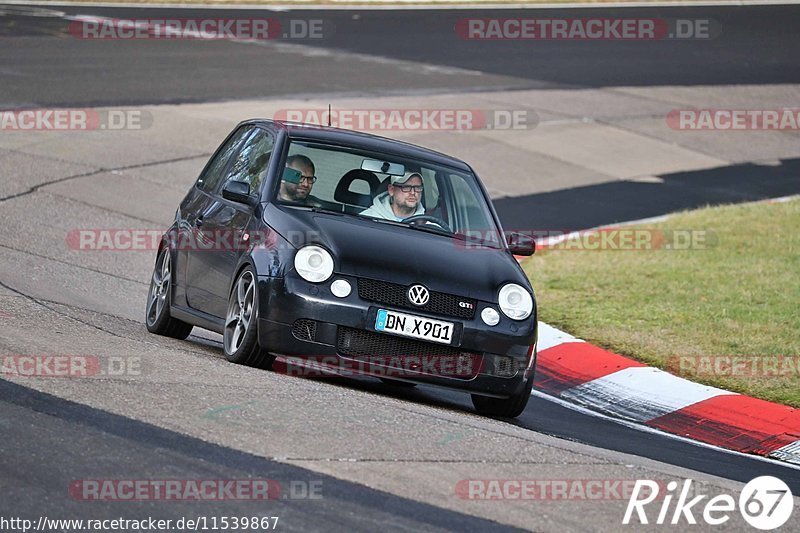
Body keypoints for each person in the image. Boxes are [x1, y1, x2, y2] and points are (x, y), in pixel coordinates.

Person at [359, 171, 425, 221]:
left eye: (417, 187)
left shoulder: (429, 227)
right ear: (391, 190)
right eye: (406, 187)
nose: (413, 192)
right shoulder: (367, 219)